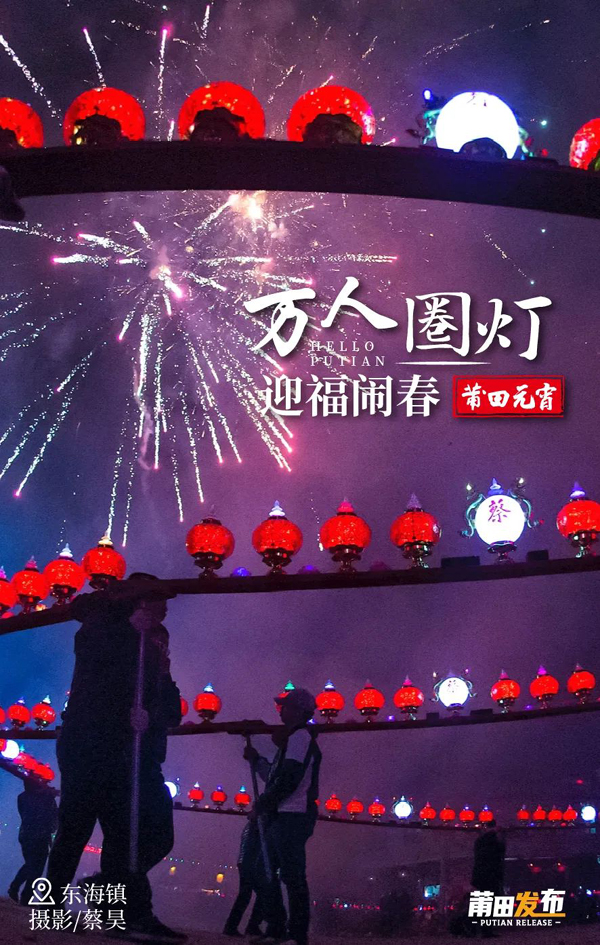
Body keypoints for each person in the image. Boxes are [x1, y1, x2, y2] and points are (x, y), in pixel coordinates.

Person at [46, 573, 185, 944]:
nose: (164, 611)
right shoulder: (103, 626)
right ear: (137, 602)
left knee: (127, 834)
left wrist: (150, 716)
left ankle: (115, 907)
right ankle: (52, 913)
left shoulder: (152, 644)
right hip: (88, 744)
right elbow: (93, 661)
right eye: (157, 603)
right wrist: (126, 628)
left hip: (125, 753)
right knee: (75, 828)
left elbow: (168, 705)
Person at [244, 687, 321, 945]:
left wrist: (262, 804)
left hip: (293, 815)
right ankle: (278, 928)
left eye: (285, 706)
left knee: (290, 874)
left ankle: (295, 934)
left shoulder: (299, 738)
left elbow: (288, 780)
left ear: (298, 711)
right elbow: (276, 777)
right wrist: (257, 762)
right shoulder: (293, 741)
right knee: (263, 871)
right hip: (284, 814)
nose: (281, 710)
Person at [8, 777, 58, 905]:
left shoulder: (22, 797)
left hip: (27, 835)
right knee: (36, 868)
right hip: (39, 836)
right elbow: (53, 817)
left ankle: (17, 890)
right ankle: (24, 895)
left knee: (31, 865)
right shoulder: (46, 798)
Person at [223, 819, 265, 938]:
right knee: (261, 893)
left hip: (246, 862)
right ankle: (251, 926)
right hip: (250, 862)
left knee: (246, 894)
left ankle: (233, 926)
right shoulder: (260, 823)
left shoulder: (253, 824)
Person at [471, 821, 506, 939]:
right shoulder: (491, 841)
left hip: (482, 876)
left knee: (484, 904)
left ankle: (481, 930)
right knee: (488, 904)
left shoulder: (480, 841)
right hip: (490, 876)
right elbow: (501, 850)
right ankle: (485, 930)